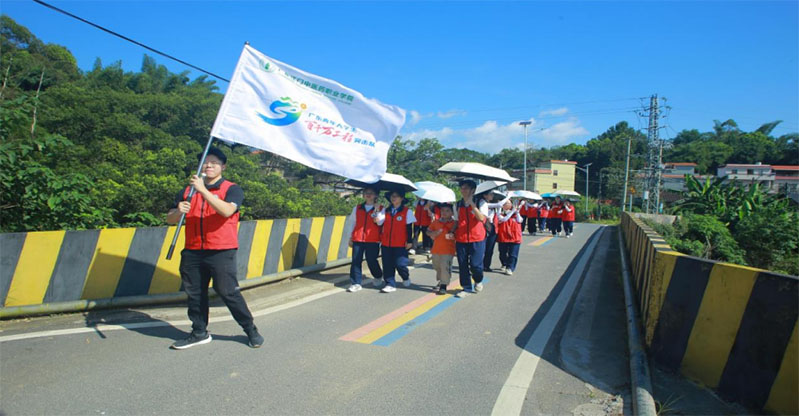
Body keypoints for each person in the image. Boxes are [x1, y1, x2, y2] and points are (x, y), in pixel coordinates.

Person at [166, 147, 263, 350]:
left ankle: (250, 329)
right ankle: (199, 331)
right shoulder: (186, 191)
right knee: (195, 293)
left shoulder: (232, 189)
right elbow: (170, 218)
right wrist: (178, 211)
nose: (209, 166)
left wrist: (203, 191)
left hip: (221, 250)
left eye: (214, 162)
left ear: (223, 167)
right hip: (193, 249)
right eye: (205, 162)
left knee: (228, 292)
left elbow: (227, 210)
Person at [454, 180, 488, 298]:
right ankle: (466, 288)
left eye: (466, 188)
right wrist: (451, 231)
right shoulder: (458, 204)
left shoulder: (481, 202)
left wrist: (472, 204)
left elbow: (481, 218)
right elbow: (456, 221)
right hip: (461, 239)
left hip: (477, 238)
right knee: (462, 265)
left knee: (475, 265)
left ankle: (478, 280)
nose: (463, 190)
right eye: (462, 188)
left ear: (473, 190)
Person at [347, 187, 385, 292]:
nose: (368, 195)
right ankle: (355, 283)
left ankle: (378, 275)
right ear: (363, 195)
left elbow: (379, 222)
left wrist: (376, 210)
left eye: (371, 193)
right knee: (356, 261)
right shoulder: (357, 208)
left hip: (373, 239)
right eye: (366, 193)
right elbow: (353, 223)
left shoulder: (381, 208)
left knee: (371, 260)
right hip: (358, 238)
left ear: (376, 195)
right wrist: (350, 237)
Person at [377, 190, 416, 293]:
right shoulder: (385, 210)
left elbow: (409, 227)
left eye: (396, 196)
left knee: (400, 264)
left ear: (402, 198)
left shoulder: (407, 211)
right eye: (392, 196)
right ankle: (390, 283)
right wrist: (377, 211)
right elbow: (378, 222)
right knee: (387, 264)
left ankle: (405, 276)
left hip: (400, 243)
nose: (393, 198)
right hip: (386, 242)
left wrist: (409, 241)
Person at [426, 204, 457, 295]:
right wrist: (433, 233)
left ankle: (443, 285)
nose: (444, 213)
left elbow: (458, 234)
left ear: (452, 212)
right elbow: (428, 231)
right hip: (436, 249)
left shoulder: (454, 223)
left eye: (447, 211)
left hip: (448, 250)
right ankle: (442, 280)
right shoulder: (436, 222)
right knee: (437, 266)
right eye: (442, 210)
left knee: (444, 267)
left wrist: (453, 236)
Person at [480, 191, 507, 272]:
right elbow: (499, 204)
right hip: (483, 227)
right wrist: (509, 196)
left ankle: (486, 265)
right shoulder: (483, 203)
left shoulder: (495, 207)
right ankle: (478, 265)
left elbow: (499, 212)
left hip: (492, 228)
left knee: (490, 249)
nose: (492, 196)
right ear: (485, 195)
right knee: (481, 248)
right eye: (491, 194)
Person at [496, 199, 523, 275]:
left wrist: (517, 212)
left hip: (514, 237)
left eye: (508, 203)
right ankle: (504, 263)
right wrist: (512, 212)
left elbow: (520, 220)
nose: (507, 205)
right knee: (502, 253)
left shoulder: (516, 214)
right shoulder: (500, 214)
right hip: (503, 237)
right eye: (505, 203)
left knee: (513, 254)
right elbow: (503, 219)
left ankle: (510, 268)